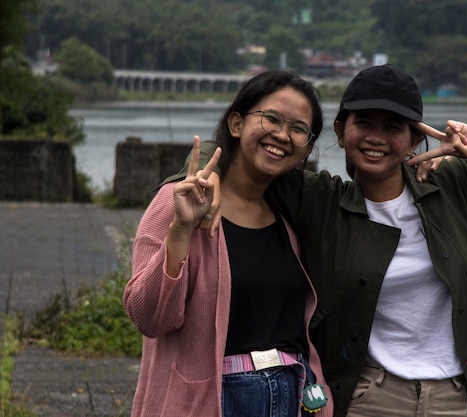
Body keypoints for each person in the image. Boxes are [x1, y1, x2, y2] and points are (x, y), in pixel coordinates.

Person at [170, 64, 467, 416]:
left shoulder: (456, 185)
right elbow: (240, 145)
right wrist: (209, 171)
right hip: (370, 398)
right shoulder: (320, 200)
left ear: (415, 138)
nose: (376, 137)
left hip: (466, 399)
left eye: (393, 127)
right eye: (364, 122)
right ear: (339, 130)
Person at [124, 70, 334, 417]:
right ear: (236, 123)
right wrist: (180, 230)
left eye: (298, 129)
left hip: (291, 396)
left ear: (307, 147)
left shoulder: (289, 215)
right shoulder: (180, 200)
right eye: (271, 118)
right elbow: (149, 318)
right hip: (213, 400)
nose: (282, 135)